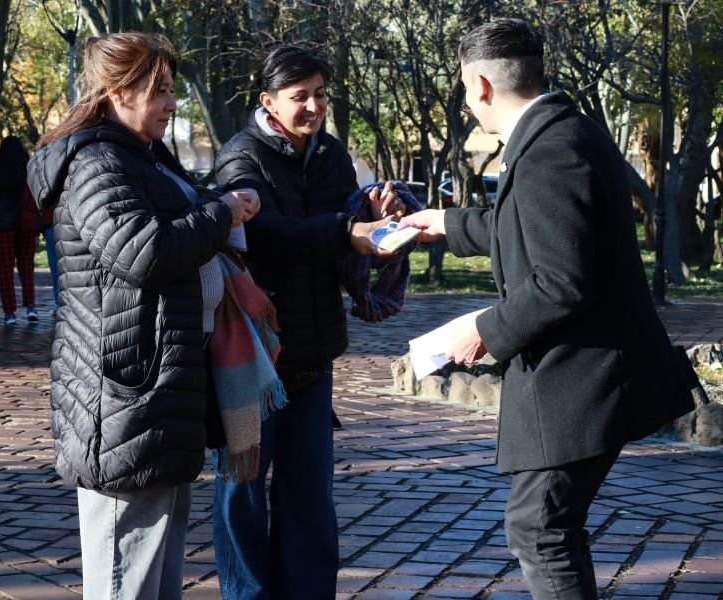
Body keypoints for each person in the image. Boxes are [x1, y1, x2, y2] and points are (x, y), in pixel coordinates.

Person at [399, 18, 694, 600]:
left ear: (481, 84)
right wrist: (447, 223)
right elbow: (529, 225)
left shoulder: (550, 149)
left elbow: (561, 282)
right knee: (546, 526)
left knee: (539, 530)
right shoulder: (561, 131)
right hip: (584, 377)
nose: (467, 101)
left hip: (582, 382)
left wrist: (482, 331)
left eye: (464, 88)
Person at [26, 32, 260, 599]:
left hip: (158, 389)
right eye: (160, 90)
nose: (171, 103)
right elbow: (144, 252)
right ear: (117, 91)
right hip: (126, 397)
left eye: (172, 90)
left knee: (155, 576)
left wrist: (219, 210)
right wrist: (221, 213)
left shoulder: (140, 157)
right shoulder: (96, 162)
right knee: (123, 578)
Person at [212, 46, 403, 599]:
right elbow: (266, 237)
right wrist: (346, 231)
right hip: (251, 358)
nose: (314, 107)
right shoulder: (241, 157)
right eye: (300, 97)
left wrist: (374, 218)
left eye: (321, 94)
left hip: (315, 354)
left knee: (310, 496)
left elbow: (348, 225)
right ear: (268, 101)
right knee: (242, 494)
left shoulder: (332, 153)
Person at [0, 135, 40, 325]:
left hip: (3, 224)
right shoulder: (30, 172)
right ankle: (31, 307)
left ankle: (9, 312)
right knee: (27, 267)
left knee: (5, 270)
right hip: (27, 225)